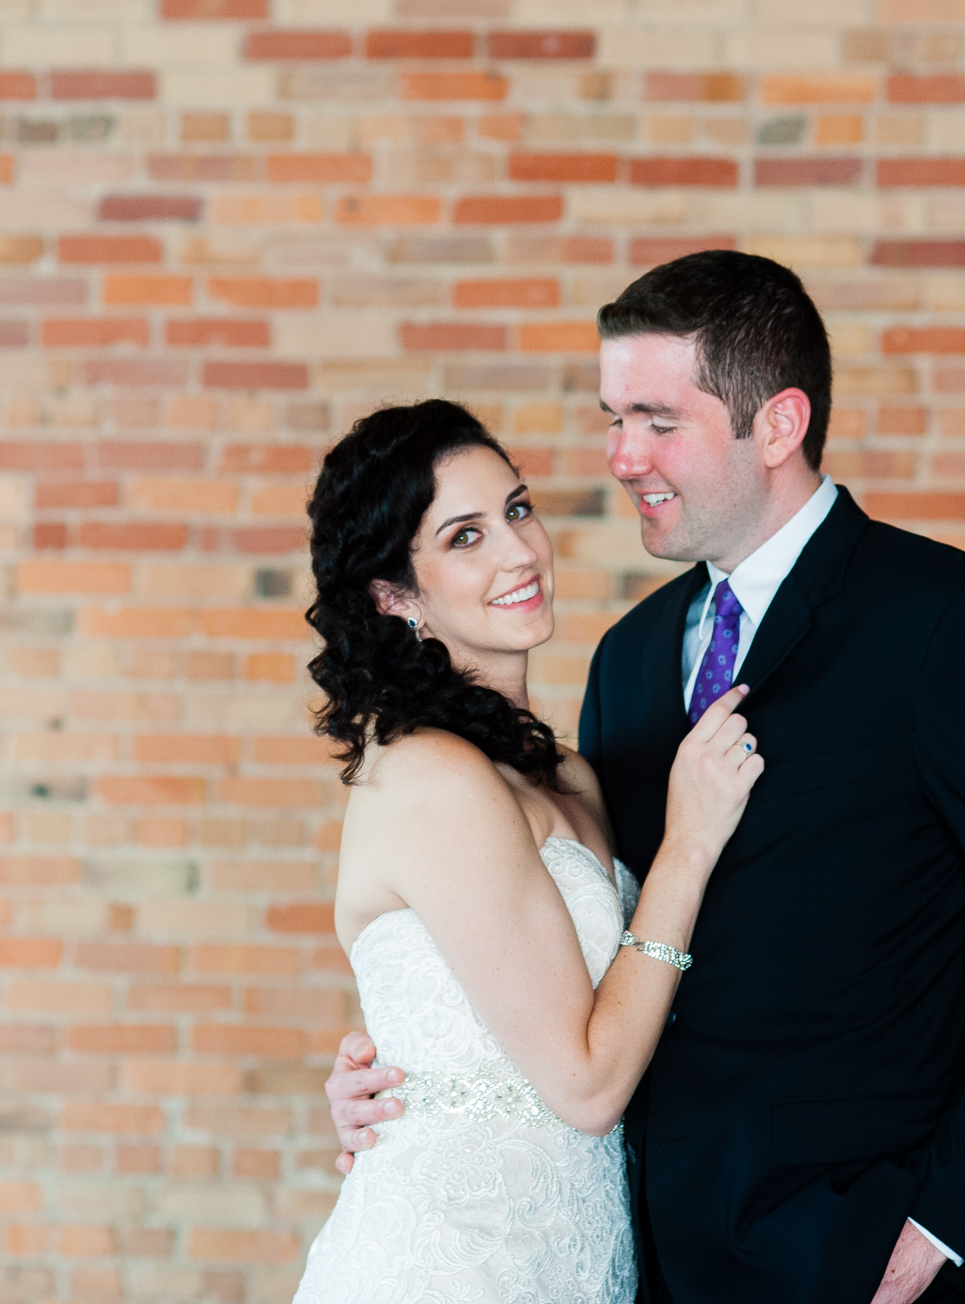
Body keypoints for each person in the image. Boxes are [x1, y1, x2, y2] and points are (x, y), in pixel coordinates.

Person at [325, 252, 965, 1303]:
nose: (621, 455)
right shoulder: (630, 659)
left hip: (844, 1262)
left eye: (657, 420)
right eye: (611, 416)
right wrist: (412, 1073)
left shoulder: (943, 625)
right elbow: (564, 957)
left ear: (775, 425)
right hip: (632, 1261)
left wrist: (942, 1220)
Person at [291, 399, 765, 1303]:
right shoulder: (430, 774)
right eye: (464, 537)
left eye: (515, 510)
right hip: (450, 1267)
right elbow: (586, 1088)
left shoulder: (570, 777)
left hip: (581, 1260)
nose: (519, 552)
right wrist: (688, 845)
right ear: (396, 596)